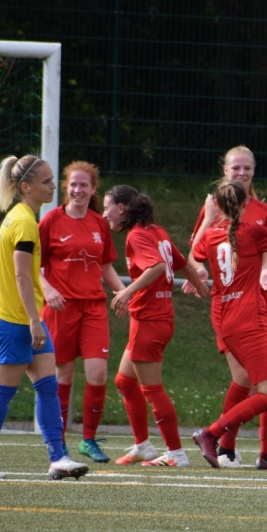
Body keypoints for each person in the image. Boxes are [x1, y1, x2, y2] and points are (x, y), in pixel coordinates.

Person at [0, 155, 89, 480]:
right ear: (26, 187)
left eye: (52, 179)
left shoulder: (20, 216)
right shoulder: (24, 222)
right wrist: (33, 321)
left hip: (19, 318)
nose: (54, 186)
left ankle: (59, 458)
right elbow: (23, 276)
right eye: (46, 181)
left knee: (48, 386)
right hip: (15, 320)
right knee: (3, 391)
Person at [186, 145, 267, 470]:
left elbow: (196, 252)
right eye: (236, 168)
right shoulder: (242, 223)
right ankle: (216, 437)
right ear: (225, 171)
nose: (242, 172)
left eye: (247, 167)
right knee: (265, 385)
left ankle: (264, 454)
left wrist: (265, 272)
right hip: (243, 312)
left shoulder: (219, 229)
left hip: (239, 309)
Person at [103, 185, 209, 467]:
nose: (105, 214)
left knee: (151, 389)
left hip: (150, 320)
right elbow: (183, 264)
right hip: (155, 318)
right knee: (124, 381)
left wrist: (127, 292)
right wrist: (200, 288)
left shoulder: (137, 235)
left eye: (107, 208)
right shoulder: (155, 230)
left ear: (121, 208)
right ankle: (143, 446)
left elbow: (158, 267)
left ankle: (176, 454)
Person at [39, 161, 125, 463]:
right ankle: (60, 443)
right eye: (73, 184)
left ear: (93, 189)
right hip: (60, 308)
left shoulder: (99, 223)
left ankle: (88, 440)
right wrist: (48, 290)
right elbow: (31, 265)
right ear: (66, 187)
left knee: (98, 373)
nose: (78, 189)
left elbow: (105, 266)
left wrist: (122, 291)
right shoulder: (51, 220)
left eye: (83, 185)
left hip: (93, 307)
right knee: (63, 374)